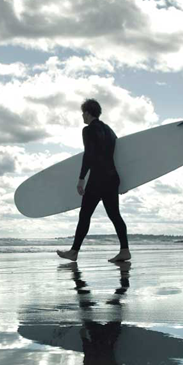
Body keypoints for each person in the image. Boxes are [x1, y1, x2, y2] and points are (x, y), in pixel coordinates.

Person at [57, 99, 131, 263]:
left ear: (89, 113)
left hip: (98, 179)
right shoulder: (109, 130)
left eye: (83, 113)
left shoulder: (88, 130)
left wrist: (81, 179)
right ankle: (124, 250)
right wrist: (126, 181)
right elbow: (121, 154)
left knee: (85, 215)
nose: (82, 116)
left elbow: (89, 155)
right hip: (112, 178)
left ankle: (74, 252)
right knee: (115, 215)